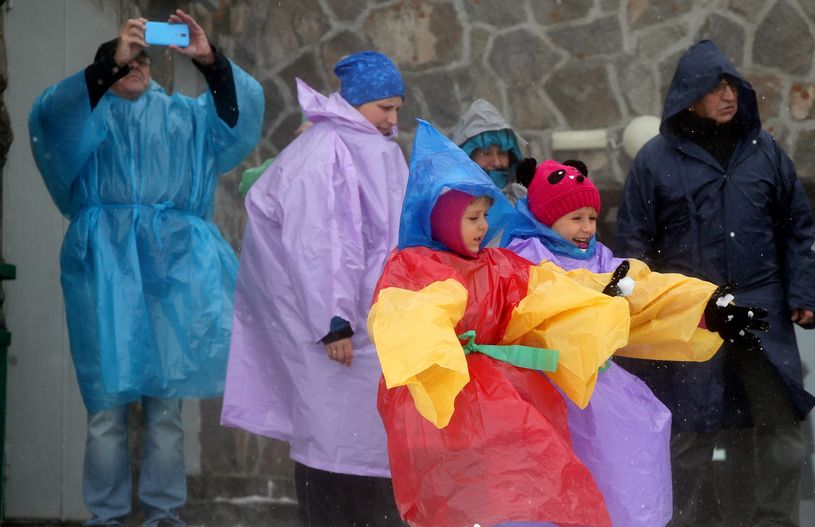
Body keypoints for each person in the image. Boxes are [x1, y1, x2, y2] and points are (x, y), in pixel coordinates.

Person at [367, 121, 755, 527]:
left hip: (511, 404)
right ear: (442, 219)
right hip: (447, 410)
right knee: (487, 502)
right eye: (472, 217)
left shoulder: (501, 267)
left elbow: (571, 293)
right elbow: (408, 321)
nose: (483, 226)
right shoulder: (414, 267)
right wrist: (445, 367)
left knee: (534, 497)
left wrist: (701, 308)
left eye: (485, 215)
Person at [27, 9, 263, 526]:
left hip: (169, 273)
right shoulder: (88, 112)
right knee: (106, 408)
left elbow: (236, 120)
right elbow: (50, 119)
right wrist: (107, 67)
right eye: (126, 60)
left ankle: (163, 515)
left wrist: (211, 61)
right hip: (105, 271)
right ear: (109, 66)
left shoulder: (183, 117)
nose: (137, 66)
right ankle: (106, 517)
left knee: (165, 407)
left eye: (143, 60)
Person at [613, 40, 815, 527]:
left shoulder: (765, 152)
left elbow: (797, 227)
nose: (728, 95)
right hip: (691, 317)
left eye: (732, 85)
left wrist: (803, 294)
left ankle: (773, 524)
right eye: (716, 87)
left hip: (760, 312)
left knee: (781, 431)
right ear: (690, 96)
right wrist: (639, 312)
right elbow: (634, 245)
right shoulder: (655, 160)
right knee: (689, 435)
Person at [500, 157, 768, 527]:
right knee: (546, 489)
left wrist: (706, 309)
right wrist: (598, 294)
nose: (587, 227)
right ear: (546, 217)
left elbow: (646, 293)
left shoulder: (600, 260)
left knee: (618, 478)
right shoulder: (522, 256)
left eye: (592, 218)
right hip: (539, 392)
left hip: (597, 392)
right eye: (575, 218)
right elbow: (546, 296)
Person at [220, 51, 407, 526]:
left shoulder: (368, 147)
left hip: (365, 321)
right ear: (358, 102)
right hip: (337, 326)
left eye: (397, 108)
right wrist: (333, 320)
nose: (393, 119)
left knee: (354, 440)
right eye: (385, 107)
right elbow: (321, 243)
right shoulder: (328, 151)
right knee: (335, 443)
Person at [450, 98, 527, 203]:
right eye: (486, 153)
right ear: (468, 156)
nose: (497, 162)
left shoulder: (522, 199)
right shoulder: (452, 201)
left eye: (502, 153)